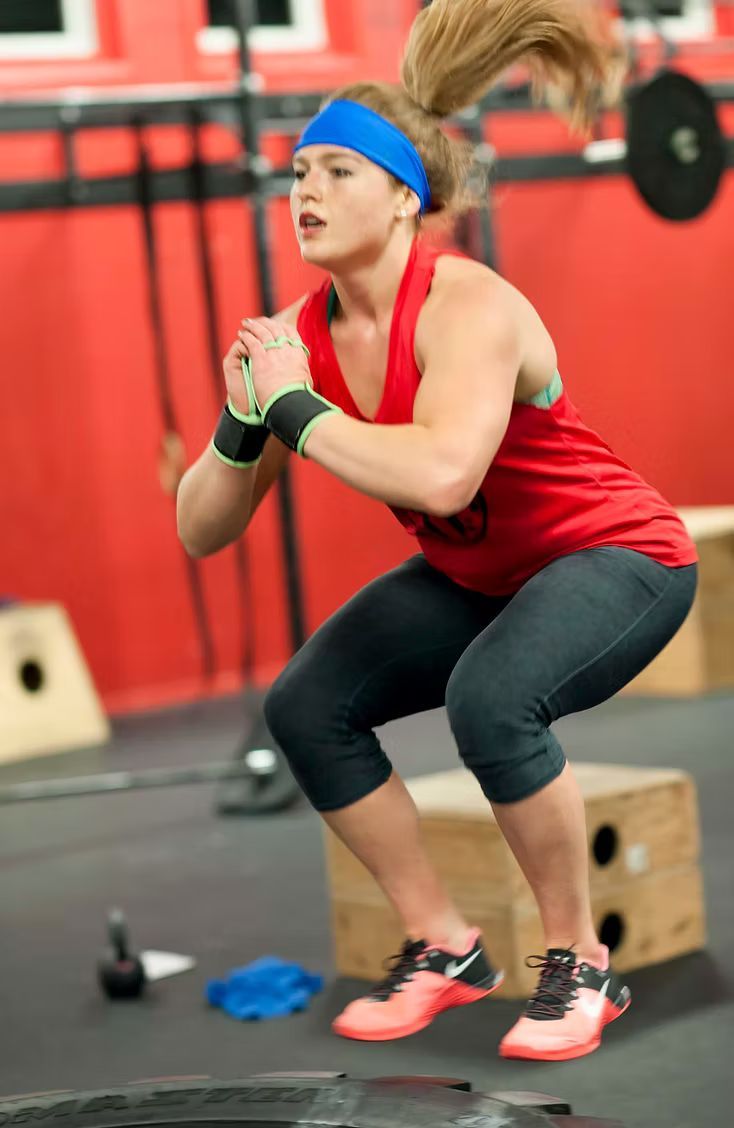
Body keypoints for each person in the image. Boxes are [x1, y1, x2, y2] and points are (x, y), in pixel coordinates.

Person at [177, 0, 698, 1062]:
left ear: (404, 198)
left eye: (335, 171)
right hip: (481, 572)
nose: (305, 193)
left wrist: (290, 411)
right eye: (296, 174)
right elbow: (200, 529)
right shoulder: (298, 344)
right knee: (308, 705)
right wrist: (243, 417)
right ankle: (444, 945)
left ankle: (577, 964)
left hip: (617, 556)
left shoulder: (467, 305)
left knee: (491, 700)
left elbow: (441, 467)